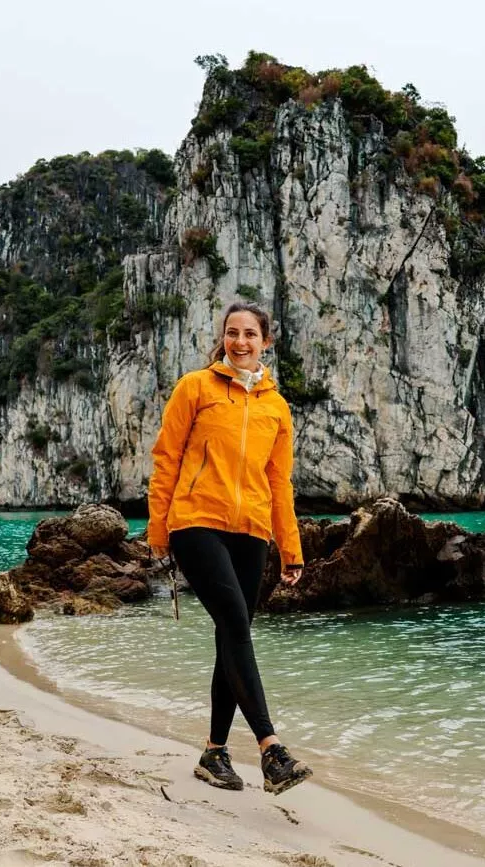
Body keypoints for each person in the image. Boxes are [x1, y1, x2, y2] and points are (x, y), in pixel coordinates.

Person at [147, 301, 313, 796]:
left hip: (253, 531)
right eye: (232, 333)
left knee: (230, 633)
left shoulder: (276, 407)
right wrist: (158, 532)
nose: (240, 342)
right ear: (222, 339)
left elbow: (279, 482)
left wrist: (292, 548)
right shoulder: (195, 388)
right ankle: (271, 749)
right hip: (196, 522)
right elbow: (166, 459)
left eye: (250, 334)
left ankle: (214, 752)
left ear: (266, 341)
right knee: (237, 625)